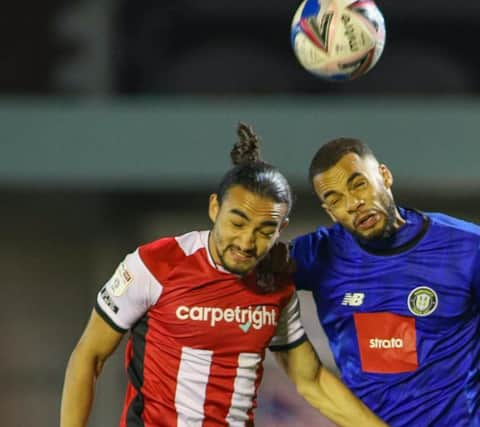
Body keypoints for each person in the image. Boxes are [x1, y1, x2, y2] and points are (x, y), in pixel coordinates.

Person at [60, 125, 386, 427]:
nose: (246, 242)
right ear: (215, 208)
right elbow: (89, 356)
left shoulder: (276, 286)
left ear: (280, 230)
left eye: (264, 230)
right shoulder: (154, 264)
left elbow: (311, 380)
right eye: (237, 222)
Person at [288, 137, 480, 426]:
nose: (353, 204)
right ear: (329, 212)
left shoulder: (470, 247)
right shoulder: (317, 256)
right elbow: (249, 270)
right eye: (335, 200)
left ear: (384, 176)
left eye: (358, 184)